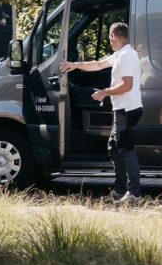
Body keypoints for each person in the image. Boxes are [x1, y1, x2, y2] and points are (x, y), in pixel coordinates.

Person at [60, 22, 143, 202]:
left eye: (110, 38)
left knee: (124, 149)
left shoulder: (127, 56)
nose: (110, 41)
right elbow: (98, 64)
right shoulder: (121, 54)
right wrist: (74, 65)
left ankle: (134, 193)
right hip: (123, 108)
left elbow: (127, 85)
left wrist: (105, 92)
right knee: (114, 147)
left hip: (127, 109)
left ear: (114, 36)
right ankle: (120, 191)